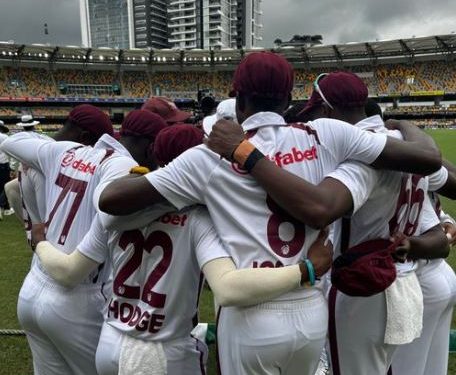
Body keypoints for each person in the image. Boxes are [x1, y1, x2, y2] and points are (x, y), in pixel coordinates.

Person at [98, 52, 440, 375]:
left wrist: (182, 194)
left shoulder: (205, 159)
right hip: (310, 309)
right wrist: (403, 124)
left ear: (239, 98)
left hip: (251, 314)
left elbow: (112, 200)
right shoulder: (327, 133)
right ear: (288, 99)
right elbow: (427, 160)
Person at [30, 124, 333, 375]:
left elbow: (69, 270)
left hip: (110, 343)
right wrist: (305, 269)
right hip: (164, 352)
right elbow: (227, 288)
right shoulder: (199, 219)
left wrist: (40, 241)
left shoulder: (113, 213)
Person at [0, 104, 153, 375]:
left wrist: (57, 145)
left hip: (33, 286)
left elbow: (13, 142)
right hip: (77, 296)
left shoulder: (62, 151)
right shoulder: (122, 166)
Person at [0, 120, 10, 219]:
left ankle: (6, 208)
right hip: (3, 164)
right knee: (5, 186)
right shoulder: (5, 137)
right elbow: (10, 152)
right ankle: (2, 206)